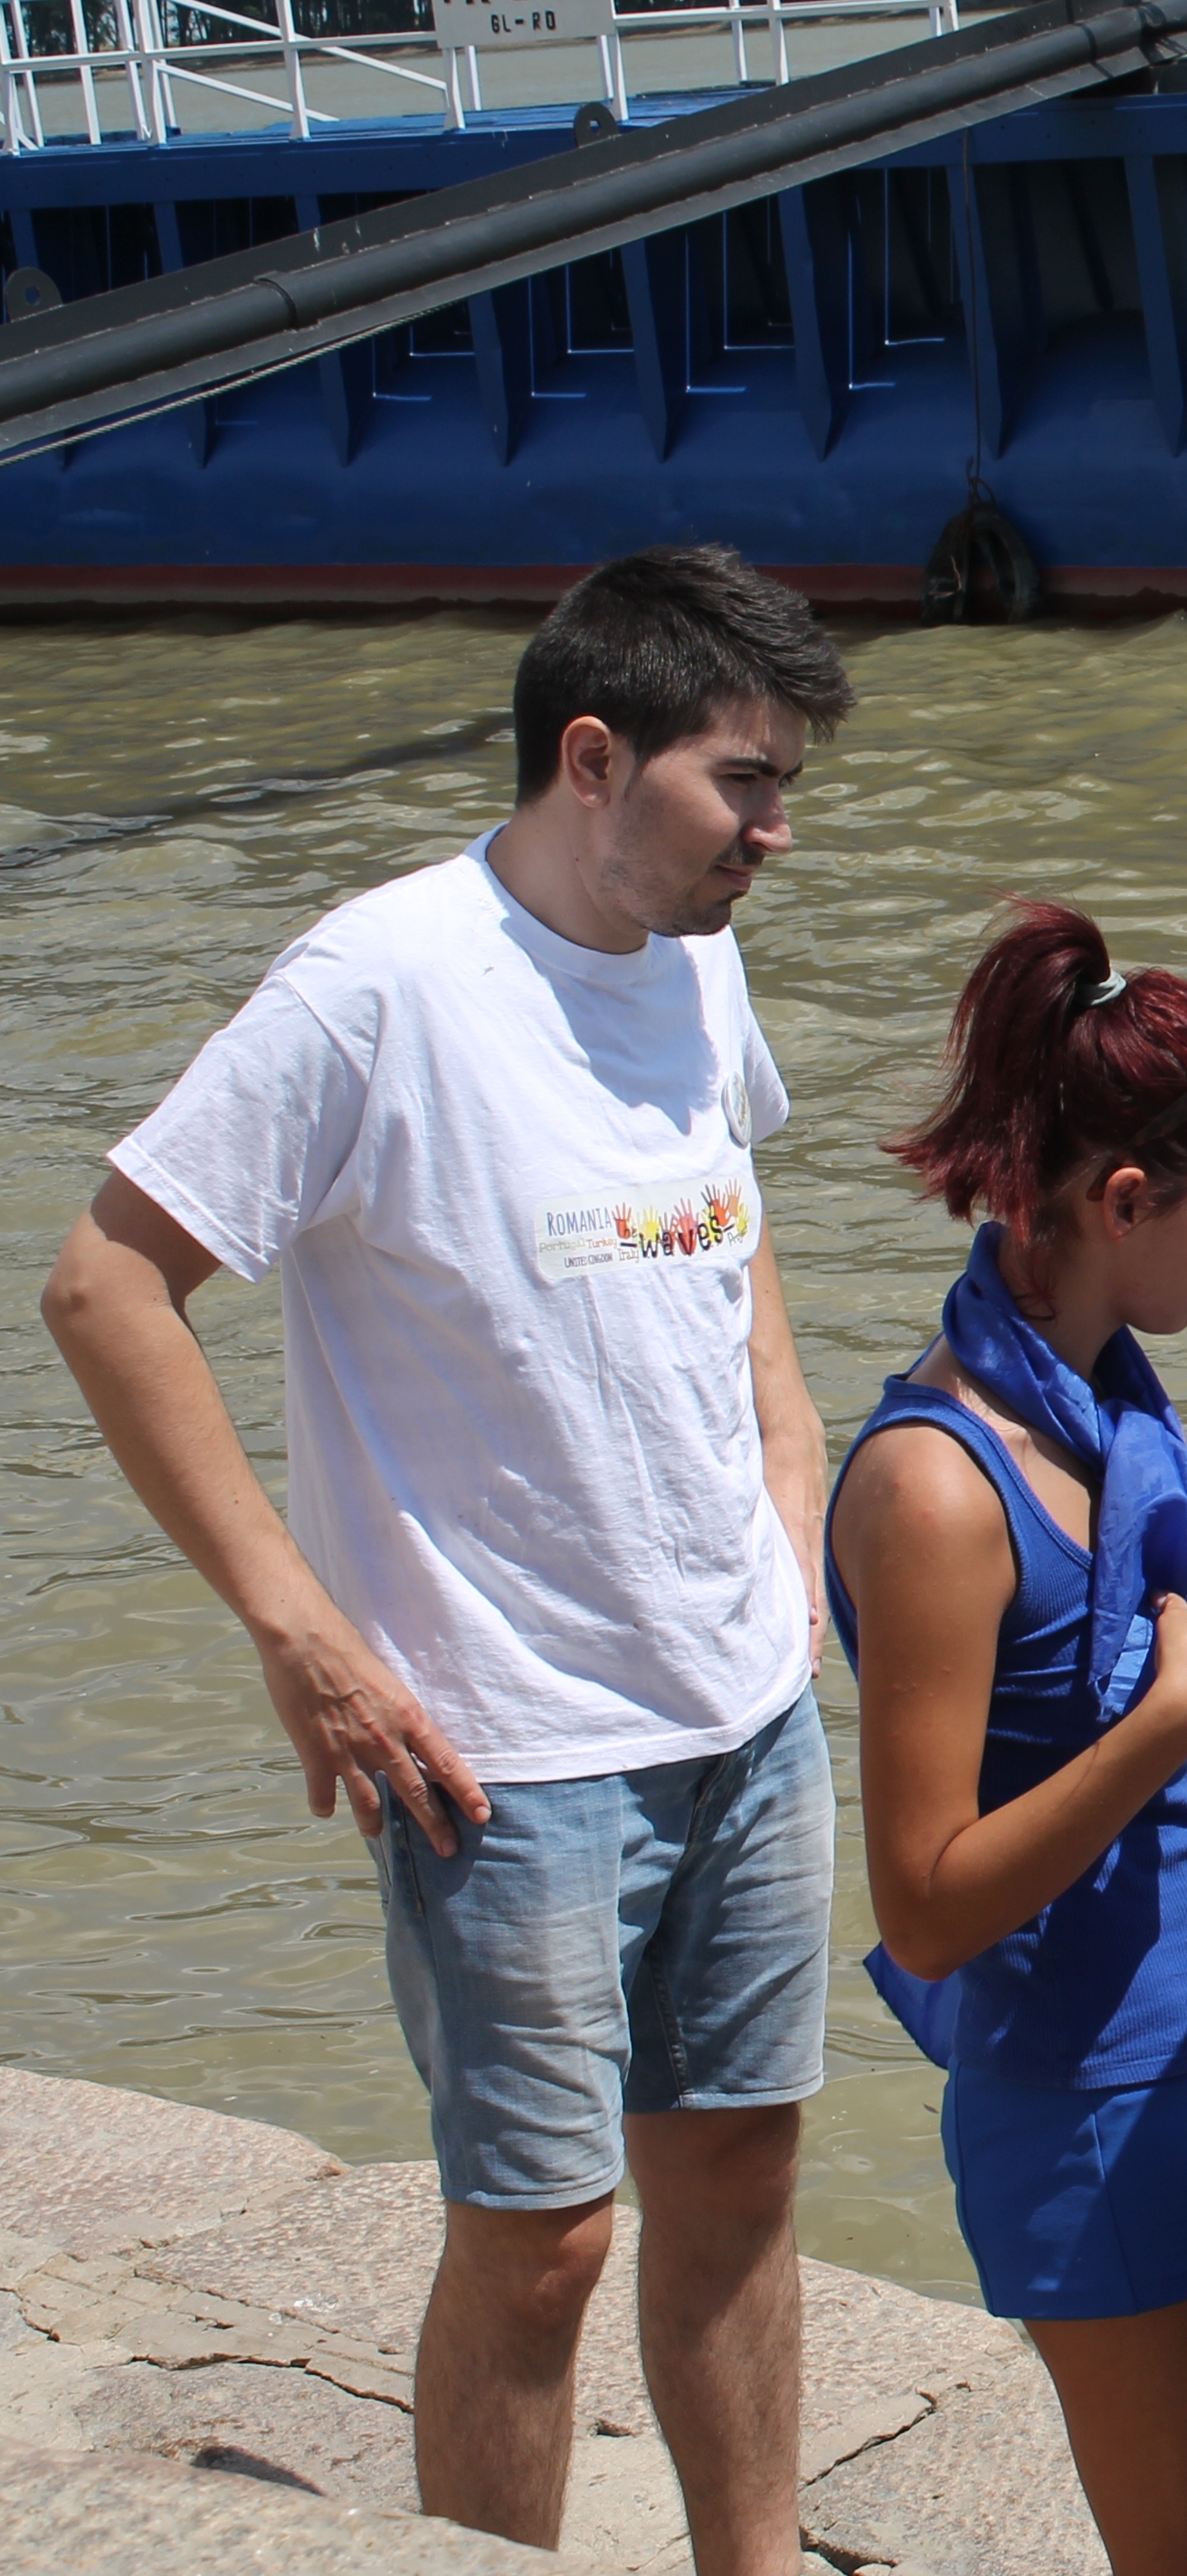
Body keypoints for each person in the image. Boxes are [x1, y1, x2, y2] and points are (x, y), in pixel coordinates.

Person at [35, 545, 849, 2572]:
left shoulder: (698, 961)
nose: (776, 828)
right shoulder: (376, 986)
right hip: (505, 1746)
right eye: (743, 781)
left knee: (742, 2181)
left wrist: (790, 1472)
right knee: (544, 2236)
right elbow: (107, 1282)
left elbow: (727, 1232)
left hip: (744, 1708)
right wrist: (296, 1626)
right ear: (595, 756)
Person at [821, 902, 1187, 2576]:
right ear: (1125, 1204)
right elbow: (926, 1901)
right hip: (1101, 2102)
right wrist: (1181, 1702)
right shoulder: (937, 1483)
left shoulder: (1113, 1390)